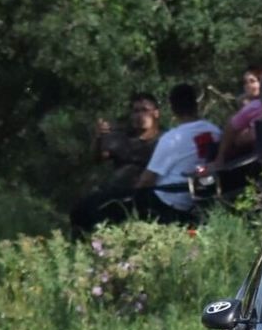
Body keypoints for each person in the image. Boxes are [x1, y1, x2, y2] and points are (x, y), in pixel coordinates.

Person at [71, 84, 220, 231]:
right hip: (180, 197)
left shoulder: (171, 138)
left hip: (164, 201)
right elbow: (98, 158)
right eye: (136, 111)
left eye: (145, 110)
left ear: (163, 111)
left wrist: (130, 199)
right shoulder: (214, 131)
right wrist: (98, 138)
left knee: (88, 210)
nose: (140, 115)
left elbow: (146, 180)